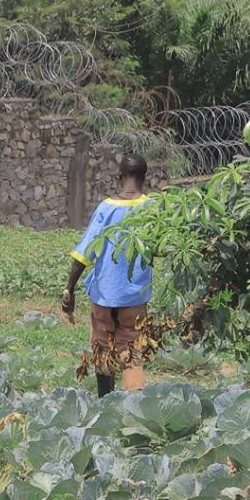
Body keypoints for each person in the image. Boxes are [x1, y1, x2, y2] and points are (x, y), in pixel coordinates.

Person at [62, 153, 154, 397]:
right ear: (144, 178)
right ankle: (135, 404)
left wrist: (69, 289)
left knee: (102, 347)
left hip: (103, 295)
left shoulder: (106, 208)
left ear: (119, 177)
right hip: (134, 297)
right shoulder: (152, 208)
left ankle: (105, 403)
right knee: (131, 351)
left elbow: (84, 253)